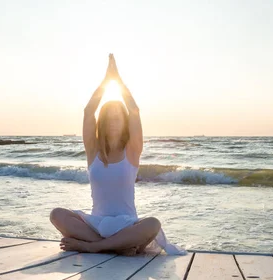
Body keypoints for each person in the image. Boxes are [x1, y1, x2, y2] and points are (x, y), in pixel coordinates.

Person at [50, 54, 185, 256]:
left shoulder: (132, 150)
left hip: (127, 225)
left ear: (124, 121)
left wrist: (118, 80)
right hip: (97, 224)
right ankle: (117, 246)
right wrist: (106, 81)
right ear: (102, 121)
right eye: (109, 117)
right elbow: (88, 111)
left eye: (118, 117)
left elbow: (134, 110)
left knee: (153, 224)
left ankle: (93, 246)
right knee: (56, 214)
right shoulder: (93, 150)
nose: (114, 121)